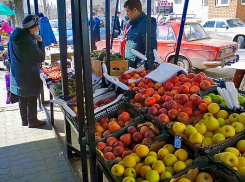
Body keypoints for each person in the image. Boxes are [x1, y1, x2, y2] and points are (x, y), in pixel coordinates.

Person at [9, 15, 46, 128]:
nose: (38, 29)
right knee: (31, 97)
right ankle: (32, 121)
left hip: (17, 72)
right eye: (37, 27)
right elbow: (40, 57)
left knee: (22, 96)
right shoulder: (28, 42)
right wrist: (40, 42)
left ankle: (24, 120)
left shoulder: (14, 36)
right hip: (28, 74)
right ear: (31, 29)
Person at [124, 0, 157, 69]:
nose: (127, 14)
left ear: (135, 10)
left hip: (139, 69)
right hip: (131, 68)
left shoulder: (146, 25)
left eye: (128, 11)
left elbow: (151, 48)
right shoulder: (133, 25)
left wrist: (146, 66)